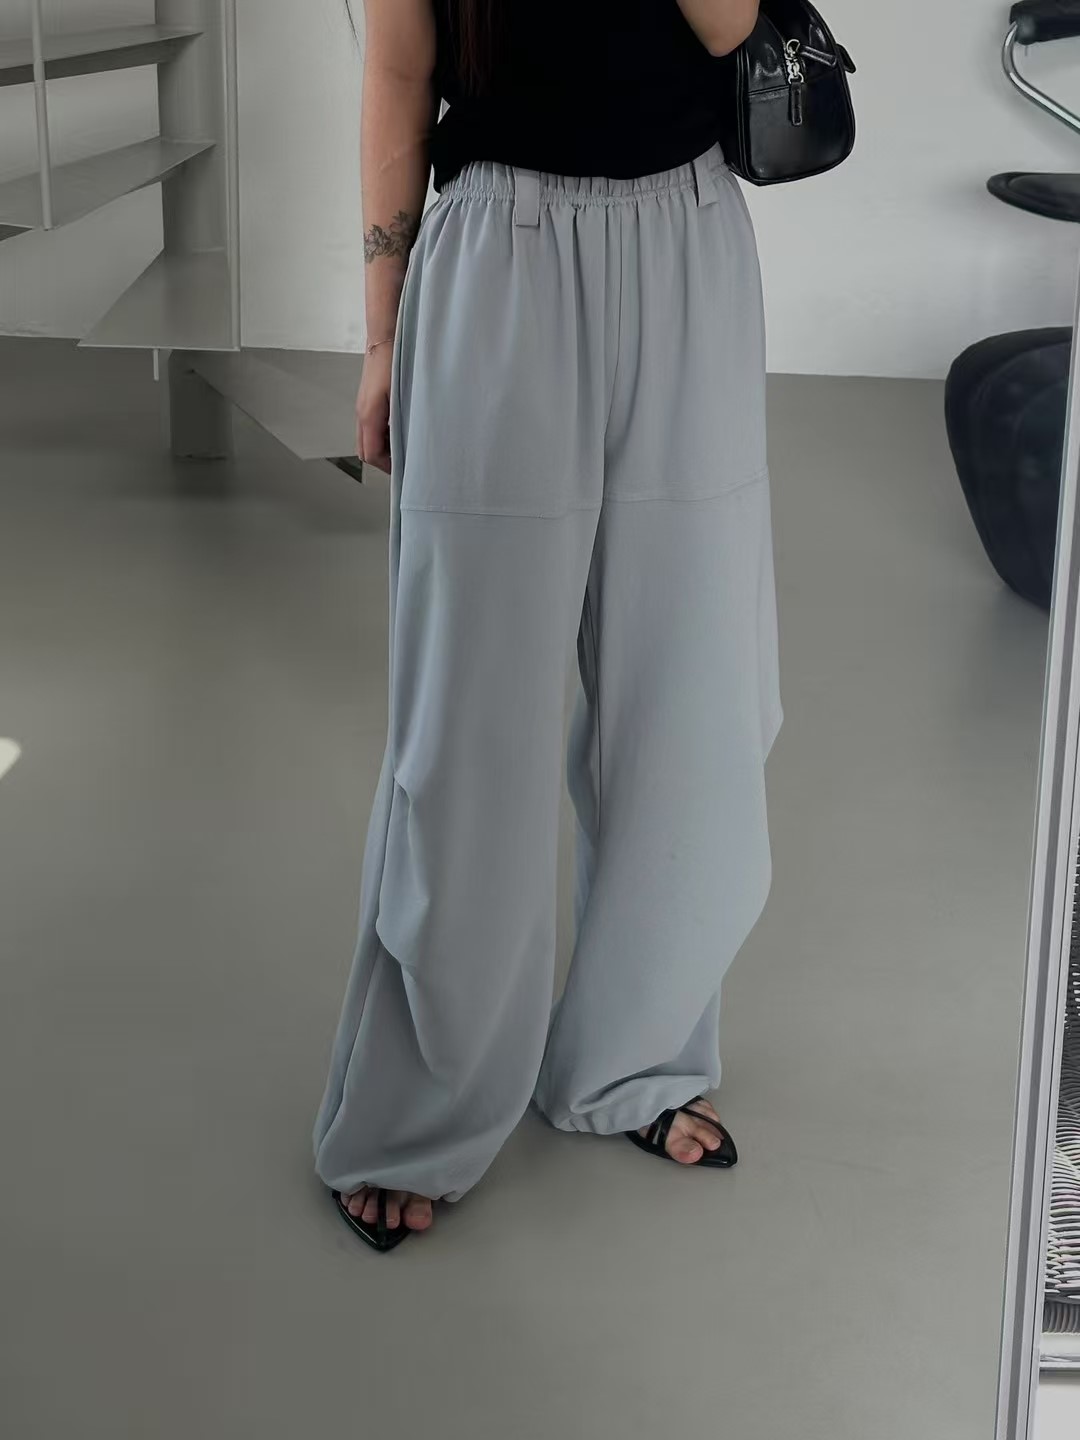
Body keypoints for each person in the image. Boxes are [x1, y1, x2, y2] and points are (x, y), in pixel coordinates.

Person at [314, 0, 784, 1252]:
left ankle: (635, 1061)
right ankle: (422, 1106)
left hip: (687, 240)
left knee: (698, 700)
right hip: (497, 253)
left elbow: (735, 28)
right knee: (468, 725)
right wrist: (381, 335)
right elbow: (398, 74)